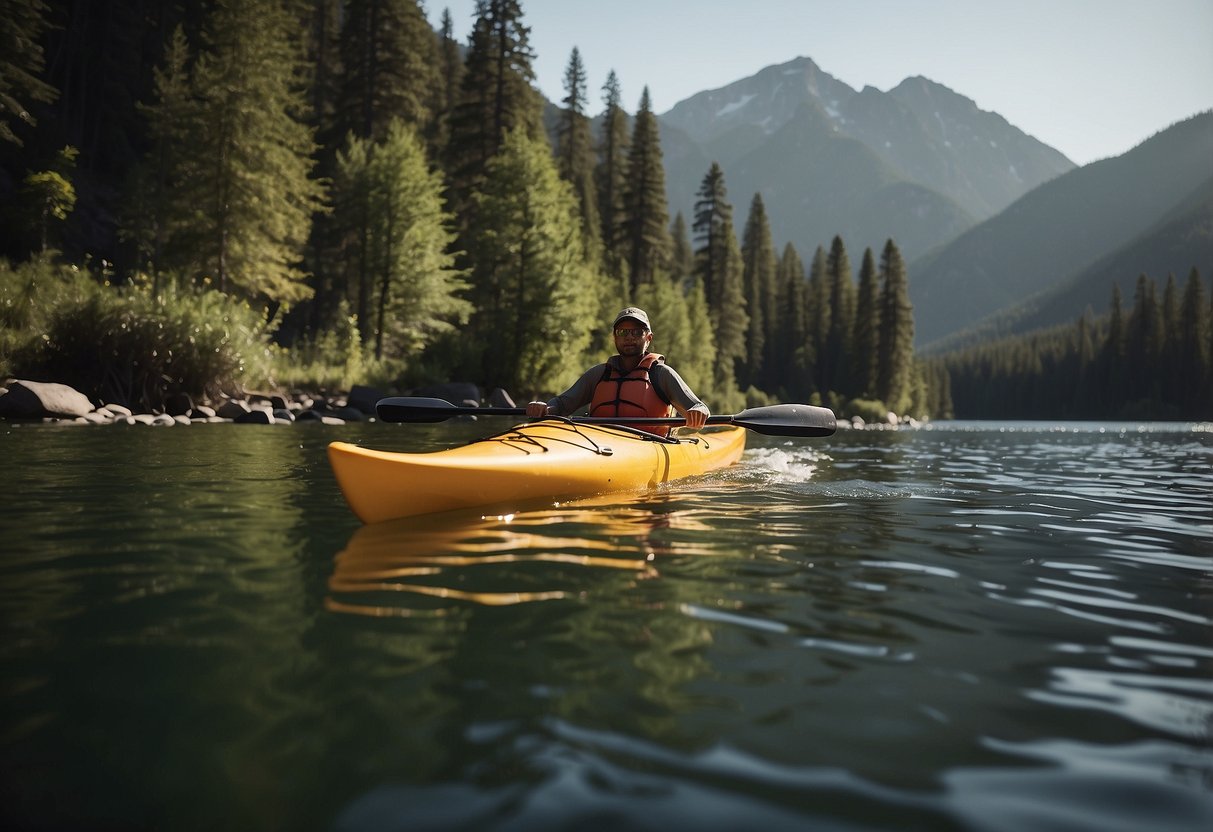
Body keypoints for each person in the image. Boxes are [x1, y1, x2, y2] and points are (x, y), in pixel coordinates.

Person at [526, 307, 710, 435]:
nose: (629, 337)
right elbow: (561, 404)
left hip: (648, 445)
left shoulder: (661, 374)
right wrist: (546, 408)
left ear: (649, 338)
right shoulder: (599, 374)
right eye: (622, 332)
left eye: (637, 332)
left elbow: (699, 407)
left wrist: (698, 413)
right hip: (598, 443)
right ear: (614, 337)